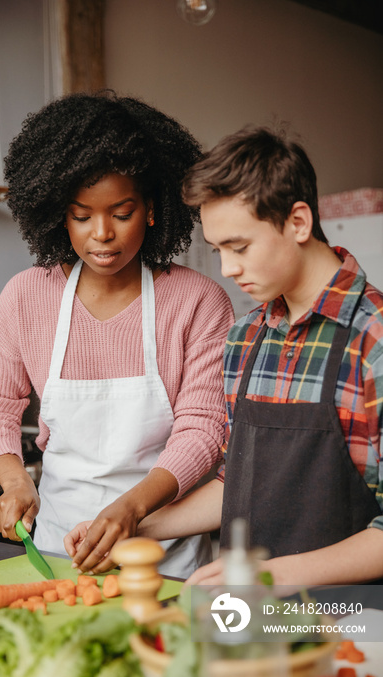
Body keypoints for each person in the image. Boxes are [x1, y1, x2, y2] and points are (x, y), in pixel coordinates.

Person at [0, 91, 234, 578]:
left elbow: (204, 428)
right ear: (58, 214)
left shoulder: (197, 301)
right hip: (56, 549)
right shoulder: (26, 296)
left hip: (162, 551)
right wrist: (15, 482)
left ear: (152, 209)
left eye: (122, 213)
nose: (102, 234)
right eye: (82, 216)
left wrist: (133, 510)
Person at [135, 125, 383, 587]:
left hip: (349, 630)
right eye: (217, 250)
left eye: (240, 247)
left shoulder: (373, 340)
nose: (228, 269)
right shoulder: (246, 337)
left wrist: (266, 577)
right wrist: (138, 527)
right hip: (248, 624)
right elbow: (240, 483)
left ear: (299, 222)